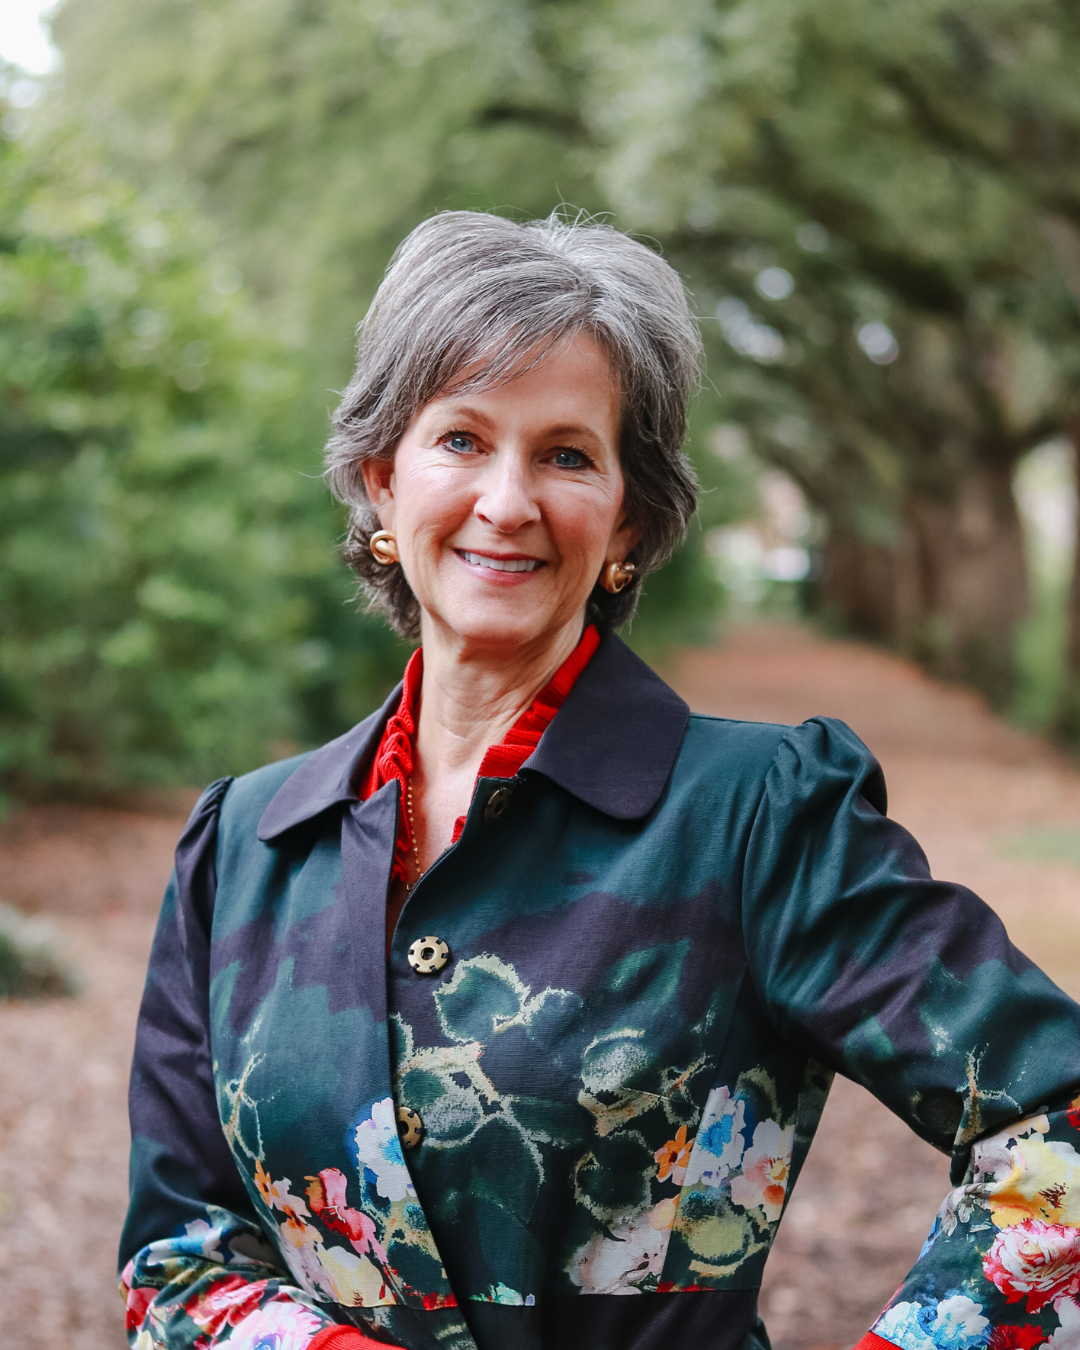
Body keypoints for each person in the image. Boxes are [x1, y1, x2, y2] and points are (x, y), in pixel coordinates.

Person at [120, 211, 1080, 1350]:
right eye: (461, 439)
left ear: (628, 518)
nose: (508, 501)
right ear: (380, 484)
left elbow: (1056, 1127)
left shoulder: (759, 815)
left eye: (567, 454)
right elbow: (179, 1258)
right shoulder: (243, 846)